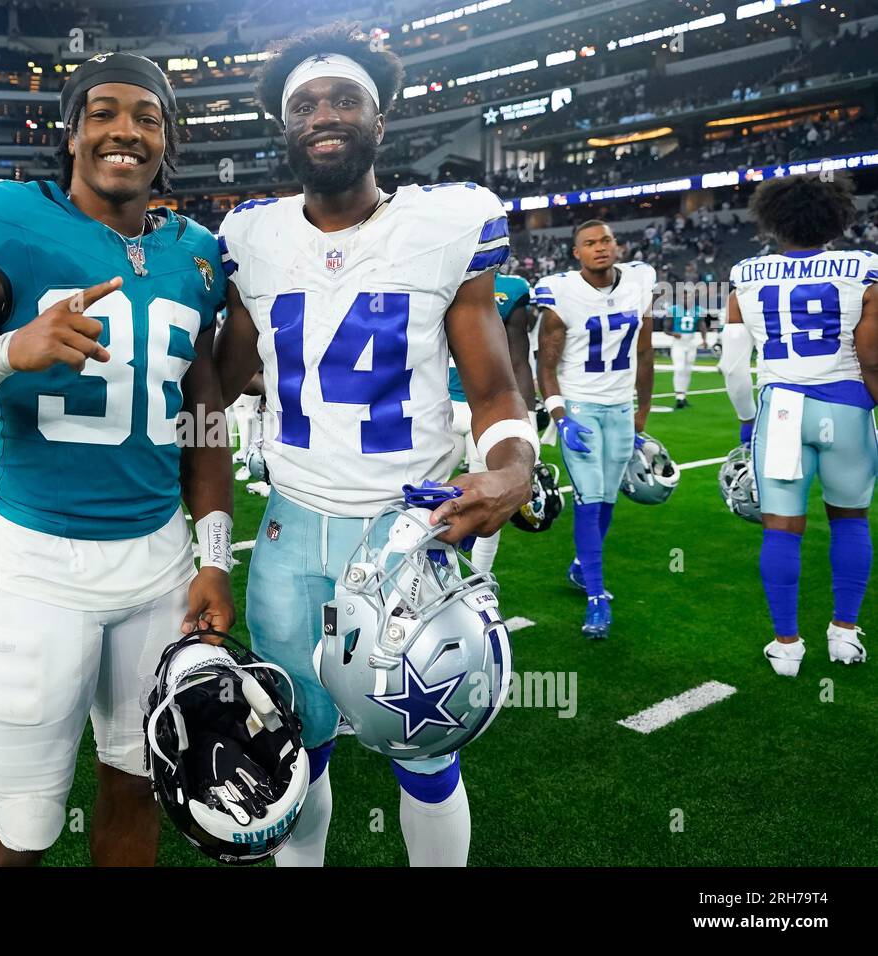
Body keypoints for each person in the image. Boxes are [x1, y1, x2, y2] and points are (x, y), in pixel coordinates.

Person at [0, 52, 235, 866]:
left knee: (141, 783)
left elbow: (204, 420)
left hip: (160, 569)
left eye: (147, 117)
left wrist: (213, 559)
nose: (125, 131)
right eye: (104, 112)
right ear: (71, 131)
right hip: (45, 572)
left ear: (166, 140)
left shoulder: (197, 253)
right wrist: (8, 351)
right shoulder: (1, 219)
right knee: (24, 823)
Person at [214, 24, 536, 867]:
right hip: (289, 532)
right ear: (286, 128)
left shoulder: (446, 222)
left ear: (380, 121)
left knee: (424, 749)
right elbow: (226, 375)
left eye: (345, 98)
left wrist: (513, 463)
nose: (326, 113)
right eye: (307, 104)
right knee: (297, 739)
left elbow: (494, 386)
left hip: (406, 535)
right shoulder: (252, 235)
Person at [719, 172, 878, 676]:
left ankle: (786, 646)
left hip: (782, 410)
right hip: (848, 404)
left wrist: (748, 422)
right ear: (836, 216)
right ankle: (844, 635)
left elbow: (730, 365)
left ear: (773, 219)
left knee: (782, 529)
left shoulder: (746, 274)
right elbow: (872, 356)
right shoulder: (865, 267)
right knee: (850, 520)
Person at [535, 220, 656, 639]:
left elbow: (644, 352)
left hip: (621, 407)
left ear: (616, 245)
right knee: (588, 497)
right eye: (590, 243)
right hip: (582, 407)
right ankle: (597, 598)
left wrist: (643, 411)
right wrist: (559, 416)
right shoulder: (562, 293)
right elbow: (545, 363)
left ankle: (580, 568)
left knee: (607, 498)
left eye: (605, 240)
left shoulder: (639, 281)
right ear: (577, 253)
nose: (600, 248)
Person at [444, 271, 537, 571]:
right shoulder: (433, 272)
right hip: (436, 405)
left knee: (486, 500)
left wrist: (528, 419)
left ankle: (479, 581)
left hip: (485, 410)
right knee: (420, 496)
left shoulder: (512, 289)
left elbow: (519, 359)